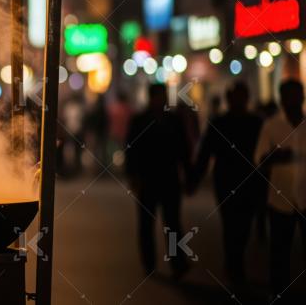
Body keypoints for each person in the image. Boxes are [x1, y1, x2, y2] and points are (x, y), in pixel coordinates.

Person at [190, 81, 263, 285]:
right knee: (231, 223)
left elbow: (265, 154)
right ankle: (233, 263)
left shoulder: (256, 123)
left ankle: (235, 261)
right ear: (229, 99)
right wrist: (195, 179)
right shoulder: (220, 123)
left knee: (244, 224)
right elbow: (205, 153)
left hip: (247, 180)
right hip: (226, 180)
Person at [125, 83, 191, 279]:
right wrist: (133, 175)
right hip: (147, 180)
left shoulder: (174, 120)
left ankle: (177, 262)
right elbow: (131, 150)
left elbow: (183, 150)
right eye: (158, 96)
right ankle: (149, 263)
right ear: (151, 97)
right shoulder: (139, 121)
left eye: (163, 96)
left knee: (172, 224)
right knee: (146, 223)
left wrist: (188, 175)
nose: (161, 100)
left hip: (170, 179)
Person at [254, 79, 306, 302]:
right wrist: (277, 156)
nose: (293, 101)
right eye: (288, 96)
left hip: (305, 197)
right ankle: (278, 293)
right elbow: (259, 159)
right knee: (279, 253)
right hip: (280, 199)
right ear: (281, 99)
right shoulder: (271, 125)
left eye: (297, 95)